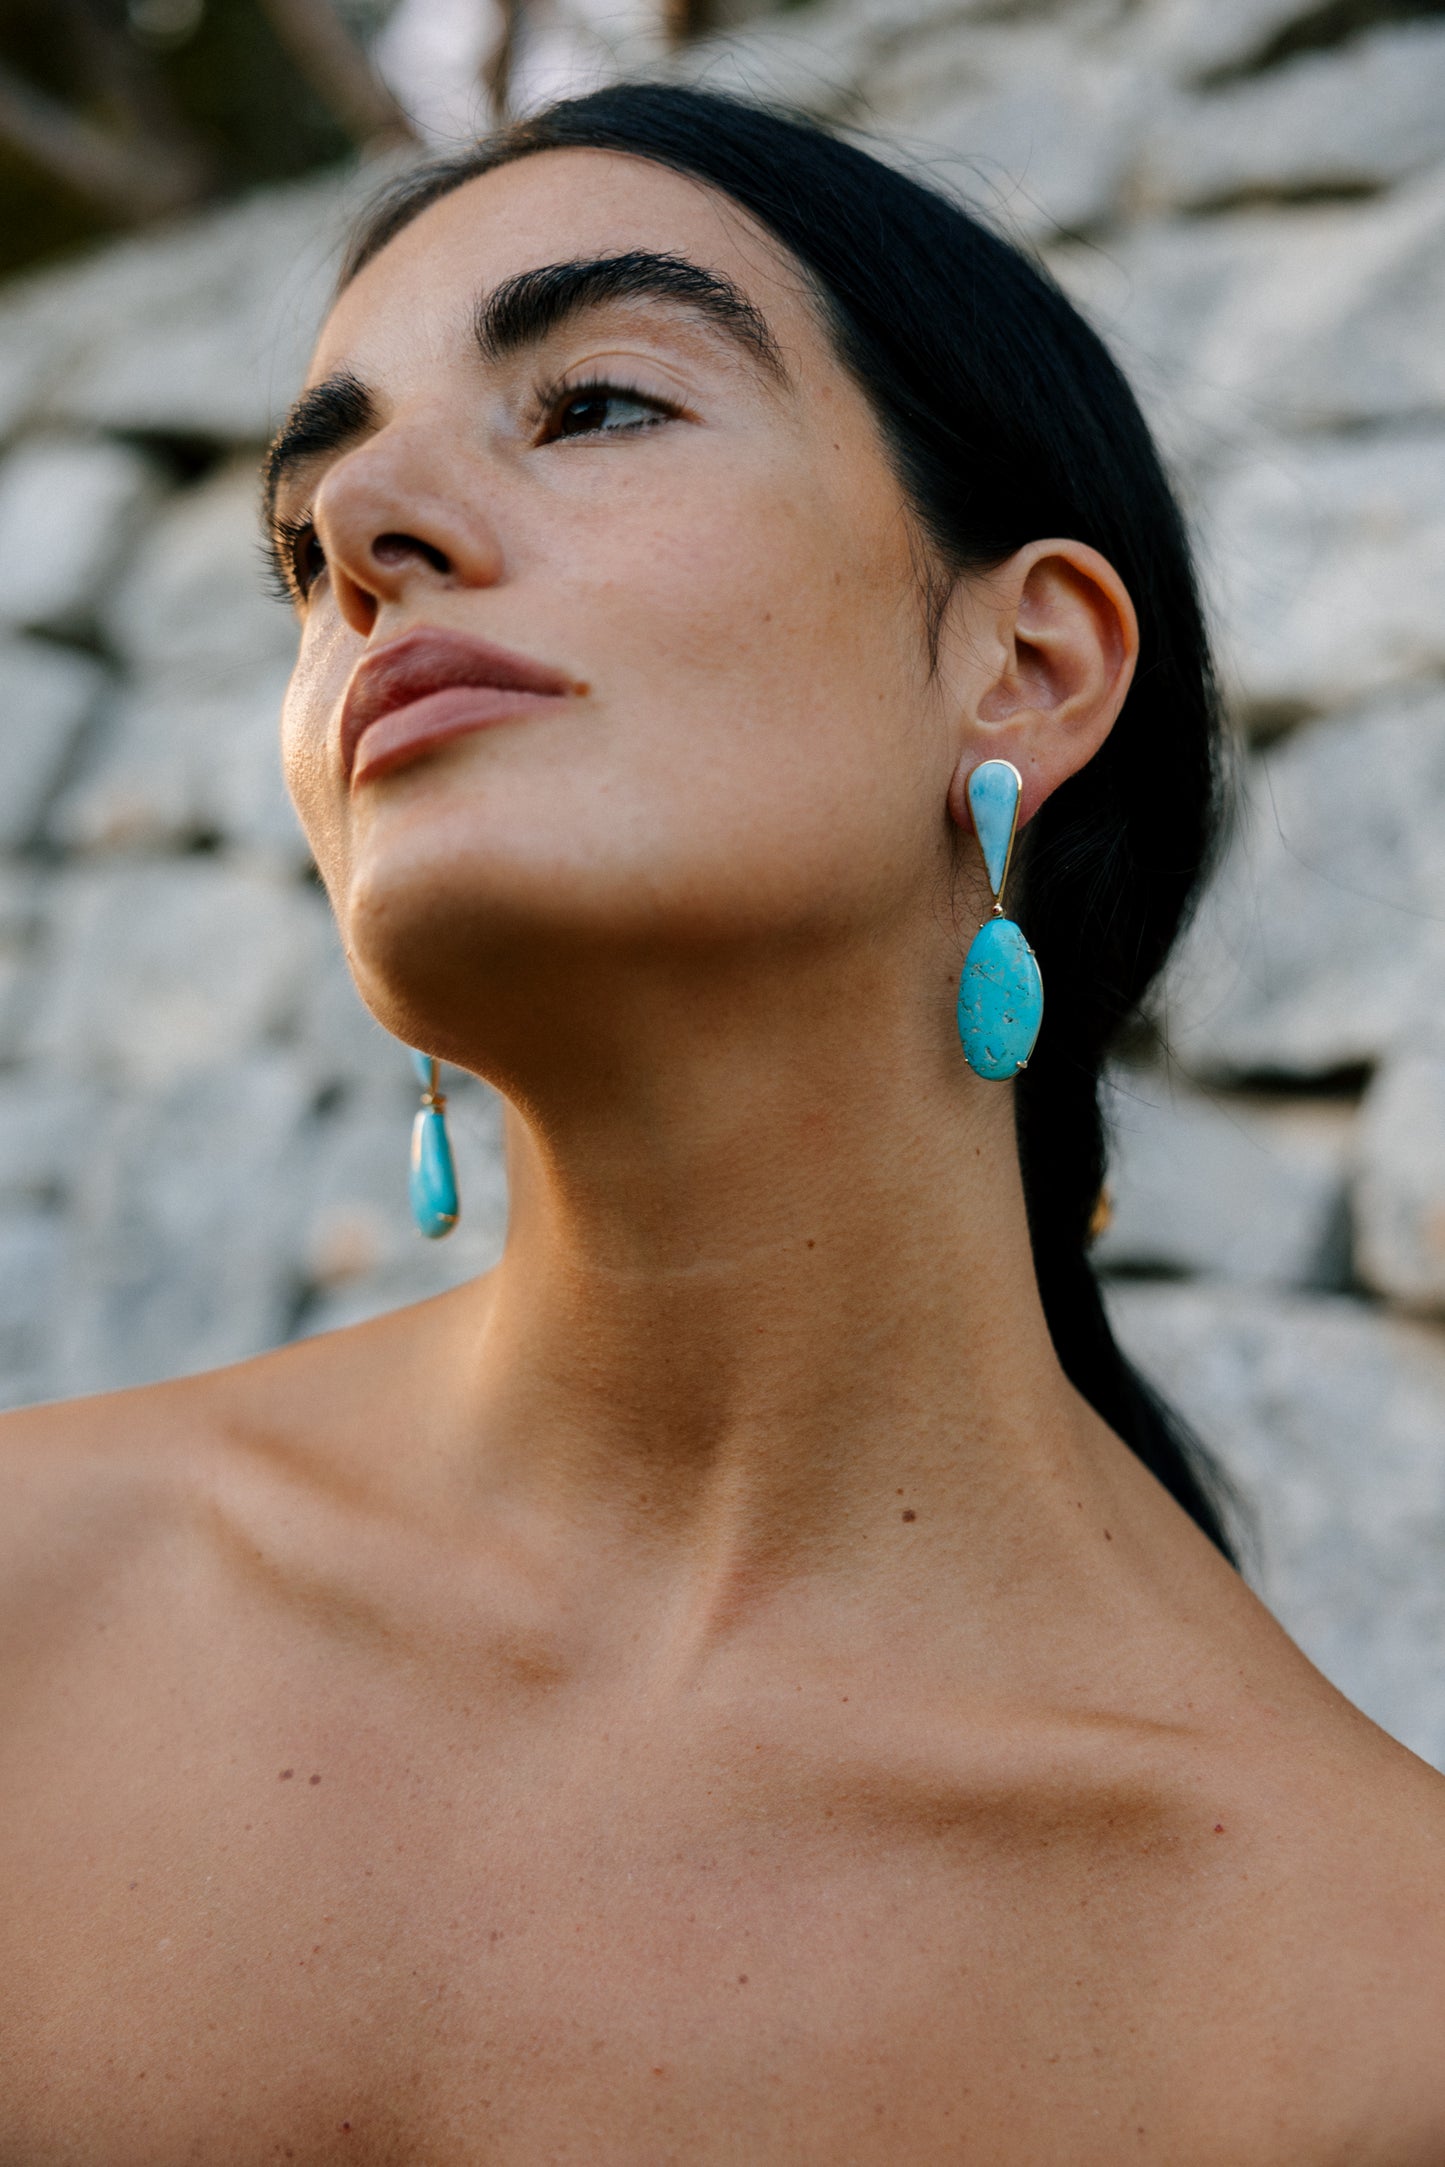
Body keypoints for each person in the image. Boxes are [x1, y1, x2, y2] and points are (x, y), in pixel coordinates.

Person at [1, 81, 1442, 2164]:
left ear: (1028, 665)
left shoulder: (1358, 2005)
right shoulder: (36, 1601)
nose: (373, 536)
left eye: (591, 403)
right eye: (304, 550)